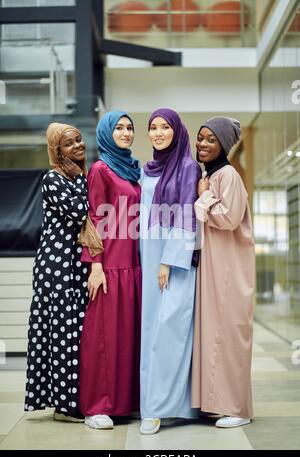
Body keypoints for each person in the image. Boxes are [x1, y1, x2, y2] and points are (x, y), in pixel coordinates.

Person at [139, 108, 201, 435]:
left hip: (173, 262)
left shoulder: (189, 167)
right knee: (151, 330)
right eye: (153, 127)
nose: (159, 132)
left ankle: (159, 408)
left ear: (177, 131)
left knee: (170, 329)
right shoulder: (145, 171)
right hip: (148, 257)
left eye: (165, 127)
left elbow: (187, 214)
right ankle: (150, 404)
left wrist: (168, 259)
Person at [191, 116, 255, 428]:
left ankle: (238, 409)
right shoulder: (211, 175)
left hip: (229, 271)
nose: (202, 144)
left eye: (210, 139)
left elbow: (227, 219)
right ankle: (218, 403)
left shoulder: (227, 175)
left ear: (224, 145)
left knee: (229, 336)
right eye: (200, 137)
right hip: (216, 268)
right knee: (215, 333)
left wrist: (201, 196)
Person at [79, 110, 141, 430]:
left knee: (126, 337)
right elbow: (94, 219)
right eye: (119, 128)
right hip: (109, 266)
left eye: (129, 128)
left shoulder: (131, 170)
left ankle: (124, 402)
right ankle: (97, 407)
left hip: (132, 266)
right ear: (107, 132)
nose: (126, 133)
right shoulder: (101, 170)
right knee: (103, 335)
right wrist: (96, 266)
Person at [25, 122, 89, 422]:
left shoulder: (78, 176)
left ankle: (72, 398)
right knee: (63, 335)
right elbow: (80, 212)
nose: (77, 146)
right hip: (57, 265)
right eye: (68, 144)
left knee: (74, 334)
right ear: (56, 150)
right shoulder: (53, 178)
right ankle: (64, 406)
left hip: (74, 264)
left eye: (78, 140)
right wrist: (79, 180)